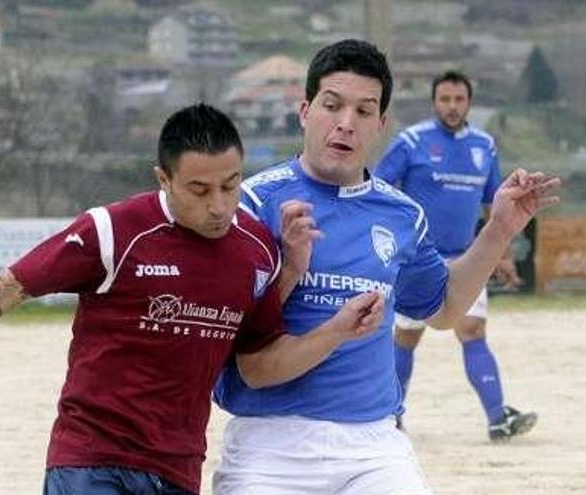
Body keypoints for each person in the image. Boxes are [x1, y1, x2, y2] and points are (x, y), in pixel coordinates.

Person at [0, 103, 386, 495]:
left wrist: (335, 327)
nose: (218, 205)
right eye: (198, 189)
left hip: (177, 469)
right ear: (163, 179)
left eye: (230, 185)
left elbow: (257, 363)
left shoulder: (257, 249)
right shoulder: (111, 231)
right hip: (90, 460)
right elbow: (8, 286)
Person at [212, 40, 560, 495]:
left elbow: (445, 307)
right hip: (270, 441)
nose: (345, 123)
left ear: (380, 124)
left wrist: (498, 229)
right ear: (304, 111)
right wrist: (288, 271)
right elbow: (232, 338)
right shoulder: (253, 204)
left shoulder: (402, 215)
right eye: (332, 105)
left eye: (363, 111)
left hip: (374, 446)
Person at [374, 70, 537, 441]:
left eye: (458, 99)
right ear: (434, 102)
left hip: (468, 258)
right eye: (445, 99)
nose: (451, 106)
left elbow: (497, 208)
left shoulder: (484, 146)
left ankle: (498, 419)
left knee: (473, 330)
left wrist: (504, 255)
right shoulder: (411, 141)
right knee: (405, 337)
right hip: (418, 259)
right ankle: (390, 419)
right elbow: (380, 189)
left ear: (469, 103)